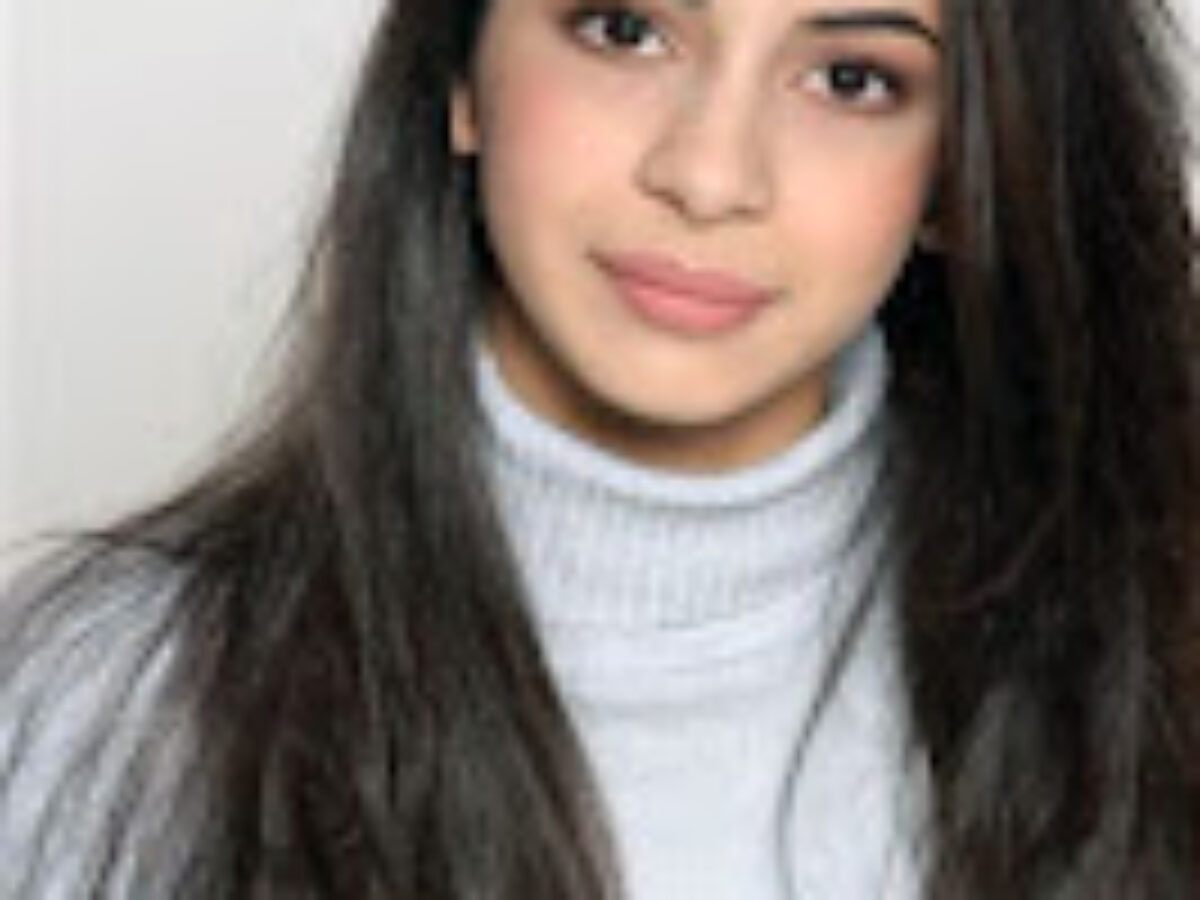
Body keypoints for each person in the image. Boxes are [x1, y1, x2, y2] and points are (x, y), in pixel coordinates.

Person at [2, 0, 1197, 896]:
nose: (710, 176)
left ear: (958, 171)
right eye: (625, 31)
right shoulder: (123, 705)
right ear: (461, 71)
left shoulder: (1147, 680)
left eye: (850, 79)